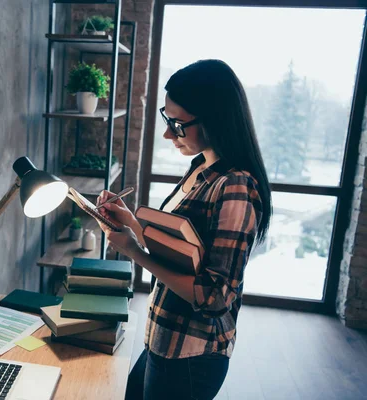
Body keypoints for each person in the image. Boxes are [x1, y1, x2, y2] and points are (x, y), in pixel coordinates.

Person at [96, 59, 272, 400]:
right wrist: (130, 221)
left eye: (177, 124)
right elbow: (181, 247)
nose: (167, 134)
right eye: (167, 118)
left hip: (192, 354)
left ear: (213, 119)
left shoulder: (235, 187)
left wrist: (133, 250)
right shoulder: (201, 166)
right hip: (165, 337)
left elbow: (215, 296)